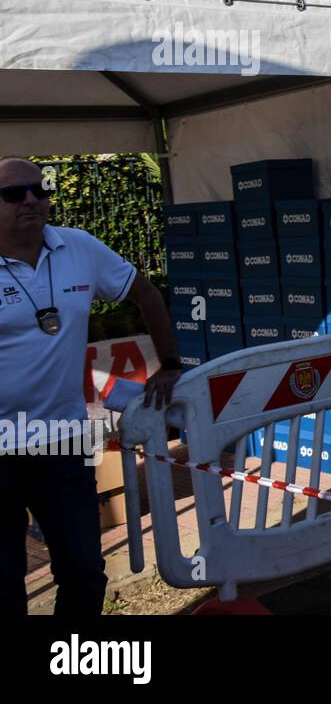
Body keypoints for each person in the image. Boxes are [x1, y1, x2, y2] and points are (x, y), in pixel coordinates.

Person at [1, 156, 182, 615]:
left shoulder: (78, 247)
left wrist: (171, 364)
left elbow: (147, 294)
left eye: (39, 190)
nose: (30, 201)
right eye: (13, 194)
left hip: (61, 440)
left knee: (83, 568)